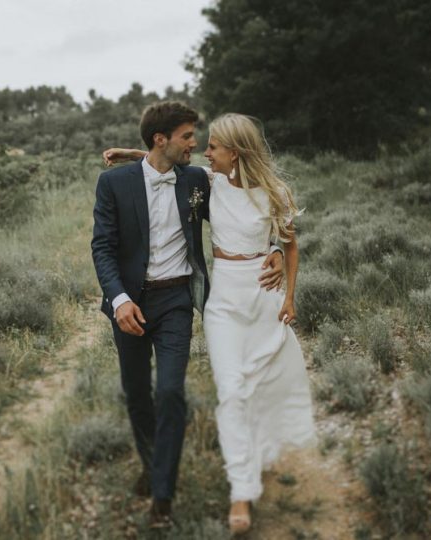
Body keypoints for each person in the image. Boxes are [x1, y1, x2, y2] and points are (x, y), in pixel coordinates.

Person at [103, 112, 316, 535]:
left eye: (212, 144)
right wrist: (131, 153)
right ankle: (205, 477)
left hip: (236, 297)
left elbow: (288, 240)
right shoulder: (207, 182)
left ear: (233, 152)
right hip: (213, 301)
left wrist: (279, 264)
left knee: (234, 389)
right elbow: (163, 165)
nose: (202, 148)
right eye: (194, 140)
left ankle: (237, 468)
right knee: (189, 393)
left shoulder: (247, 188)